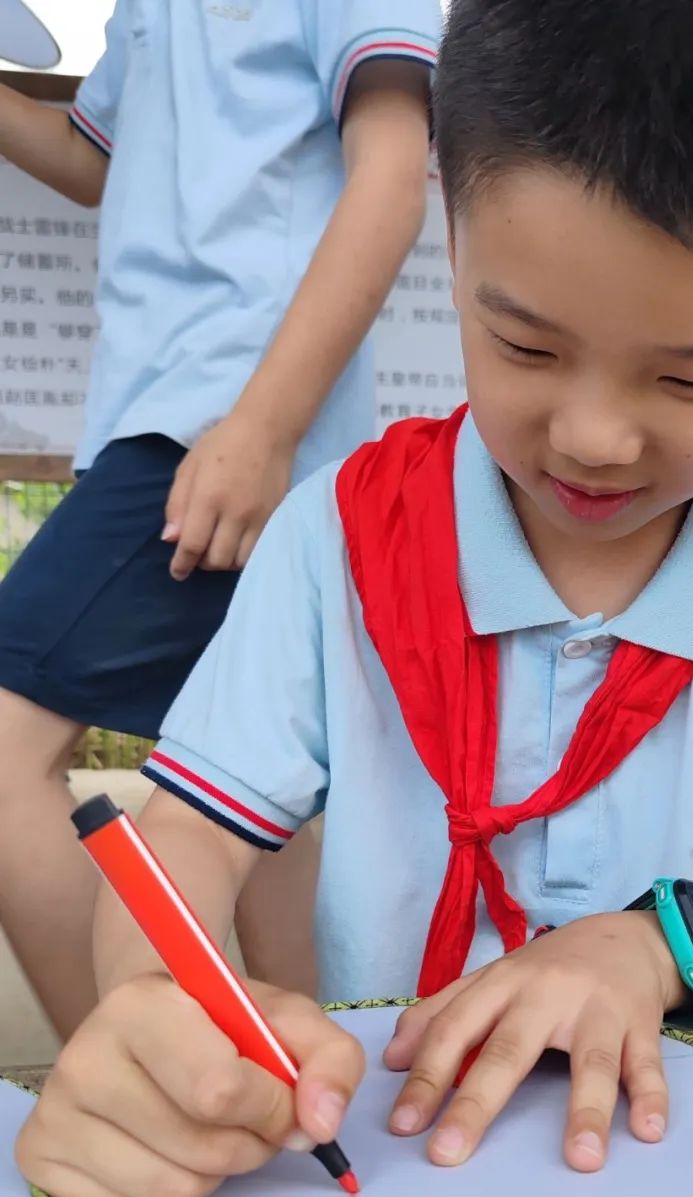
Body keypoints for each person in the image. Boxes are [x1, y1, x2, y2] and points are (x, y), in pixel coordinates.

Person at [16, 0, 693, 1197]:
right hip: (395, 1186)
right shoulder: (340, 537)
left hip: (684, 1187)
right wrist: (157, 1001)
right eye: (525, 346)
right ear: (451, 233)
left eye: (691, 376)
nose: (594, 438)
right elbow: (187, 838)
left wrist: (655, 946)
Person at [0, 0, 442, 1037]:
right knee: (265, 806)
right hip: (165, 425)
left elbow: (393, 174)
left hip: (214, 423)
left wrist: (263, 425)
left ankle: (136, 1090)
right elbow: (92, 156)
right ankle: (334, 1120)